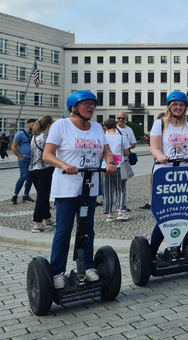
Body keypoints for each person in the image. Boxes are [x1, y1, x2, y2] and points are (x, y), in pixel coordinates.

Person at [43, 91, 118, 289]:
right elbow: (47, 155)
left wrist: (110, 162)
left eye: (93, 104)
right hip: (67, 188)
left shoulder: (95, 127)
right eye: (86, 104)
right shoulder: (62, 125)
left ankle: (87, 268)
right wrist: (63, 164)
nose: (91, 107)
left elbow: (107, 151)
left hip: (89, 187)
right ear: (74, 107)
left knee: (87, 229)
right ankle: (57, 271)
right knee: (64, 229)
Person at [148, 92, 188, 257]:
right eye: (175, 104)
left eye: (181, 104)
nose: (178, 107)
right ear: (169, 106)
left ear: (185, 107)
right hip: (165, 173)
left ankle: (175, 248)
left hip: (186, 173)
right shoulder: (160, 124)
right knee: (165, 214)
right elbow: (155, 147)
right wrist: (160, 156)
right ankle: (151, 251)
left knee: (182, 213)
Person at [29, 116, 56, 233]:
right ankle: (37, 223)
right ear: (50, 125)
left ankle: (47, 219)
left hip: (33, 169)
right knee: (42, 197)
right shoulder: (47, 137)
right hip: (44, 169)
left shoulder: (35, 136)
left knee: (42, 194)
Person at [102, 118, 130, 222]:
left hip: (106, 166)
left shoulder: (103, 137)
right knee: (121, 189)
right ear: (115, 126)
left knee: (108, 190)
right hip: (119, 166)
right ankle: (120, 211)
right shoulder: (122, 137)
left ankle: (109, 214)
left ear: (105, 127)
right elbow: (126, 152)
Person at [115, 111, 137, 211]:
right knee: (112, 184)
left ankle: (121, 204)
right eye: (119, 118)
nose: (120, 120)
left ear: (126, 119)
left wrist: (126, 145)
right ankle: (113, 204)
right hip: (114, 160)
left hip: (124, 160)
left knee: (122, 183)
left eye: (122, 118)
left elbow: (133, 143)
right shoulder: (113, 129)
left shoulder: (129, 130)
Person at [11, 119, 36, 204]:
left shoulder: (35, 134)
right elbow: (13, 147)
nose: (34, 126)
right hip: (24, 159)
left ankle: (26, 195)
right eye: (33, 124)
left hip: (33, 159)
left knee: (30, 178)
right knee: (23, 176)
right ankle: (15, 196)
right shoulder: (20, 135)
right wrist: (20, 156)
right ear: (28, 124)